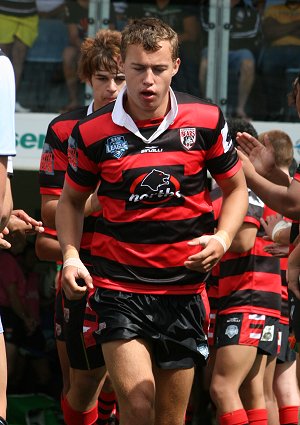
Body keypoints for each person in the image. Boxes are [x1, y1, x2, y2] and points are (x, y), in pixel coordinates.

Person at [56, 17, 248, 425]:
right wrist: (71, 255)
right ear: (122, 66)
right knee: (138, 405)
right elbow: (70, 202)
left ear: (175, 66)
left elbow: (235, 190)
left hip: (185, 291)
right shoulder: (91, 132)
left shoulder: (207, 119)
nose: (148, 80)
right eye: (138, 68)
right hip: (118, 289)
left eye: (158, 69)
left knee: (169, 418)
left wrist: (223, 238)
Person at [37, 29, 126, 424]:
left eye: (119, 78)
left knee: (124, 385)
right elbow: (51, 211)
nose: (111, 87)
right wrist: (94, 201)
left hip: (132, 271)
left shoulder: (152, 130)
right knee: (77, 383)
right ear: (87, 78)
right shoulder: (63, 129)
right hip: (79, 273)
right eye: (102, 77)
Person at [199, 0, 262, 119]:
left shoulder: (249, 9)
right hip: (213, 48)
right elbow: (207, 27)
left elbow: (252, 33)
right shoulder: (208, 4)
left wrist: (226, 31)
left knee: (248, 62)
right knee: (205, 62)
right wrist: (234, 31)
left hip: (238, 50)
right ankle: (206, 105)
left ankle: (240, 108)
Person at [260, 0, 300, 120]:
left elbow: (276, 30)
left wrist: (281, 27)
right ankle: (275, 110)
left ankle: (293, 113)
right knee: (267, 67)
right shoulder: (273, 9)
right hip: (276, 50)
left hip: (299, 49)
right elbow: (270, 32)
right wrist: (297, 24)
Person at [0, 0, 39, 112]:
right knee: (1, 58)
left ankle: (12, 101)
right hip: (3, 12)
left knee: (19, 58)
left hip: (29, 14)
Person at [61, 0, 89, 112]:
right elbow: (73, 36)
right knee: (68, 55)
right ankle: (74, 100)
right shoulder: (71, 5)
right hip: (80, 46)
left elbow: (109, 31)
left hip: (101, 46)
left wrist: (94, 50)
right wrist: (86, 50)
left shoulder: (104, 4)